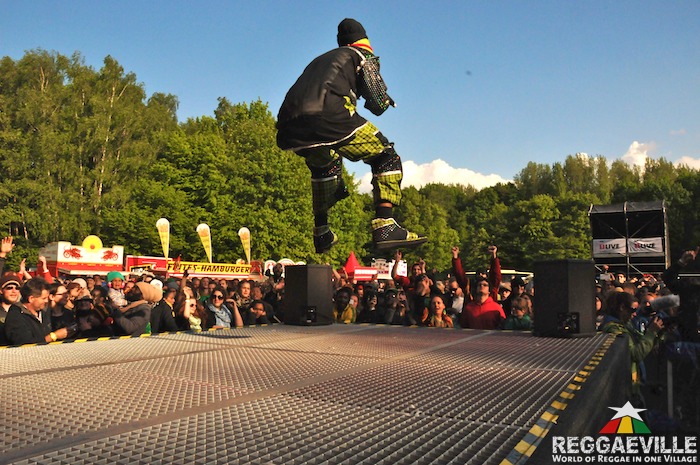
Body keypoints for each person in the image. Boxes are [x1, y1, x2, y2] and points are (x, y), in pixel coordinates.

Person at [276, 18, 426, 253]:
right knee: (385, 156)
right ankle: (385, 225)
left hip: (289, 123)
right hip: (328, 115)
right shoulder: (359, 54)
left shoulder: (320, 60)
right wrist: (385, 99)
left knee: (325, 166)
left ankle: (321, 231)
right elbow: (377, 102)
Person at [4, 277, 75, 345]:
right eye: (43, 298)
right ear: (31, 299)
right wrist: (53, 336)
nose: (47, 301)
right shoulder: (15, 316)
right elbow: (24, 344)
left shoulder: (45, 311)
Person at [0, 273, 22, 345]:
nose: (14, 291)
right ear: (1, 290)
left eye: (17, 288)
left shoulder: (23, 311)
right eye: (9, 288)